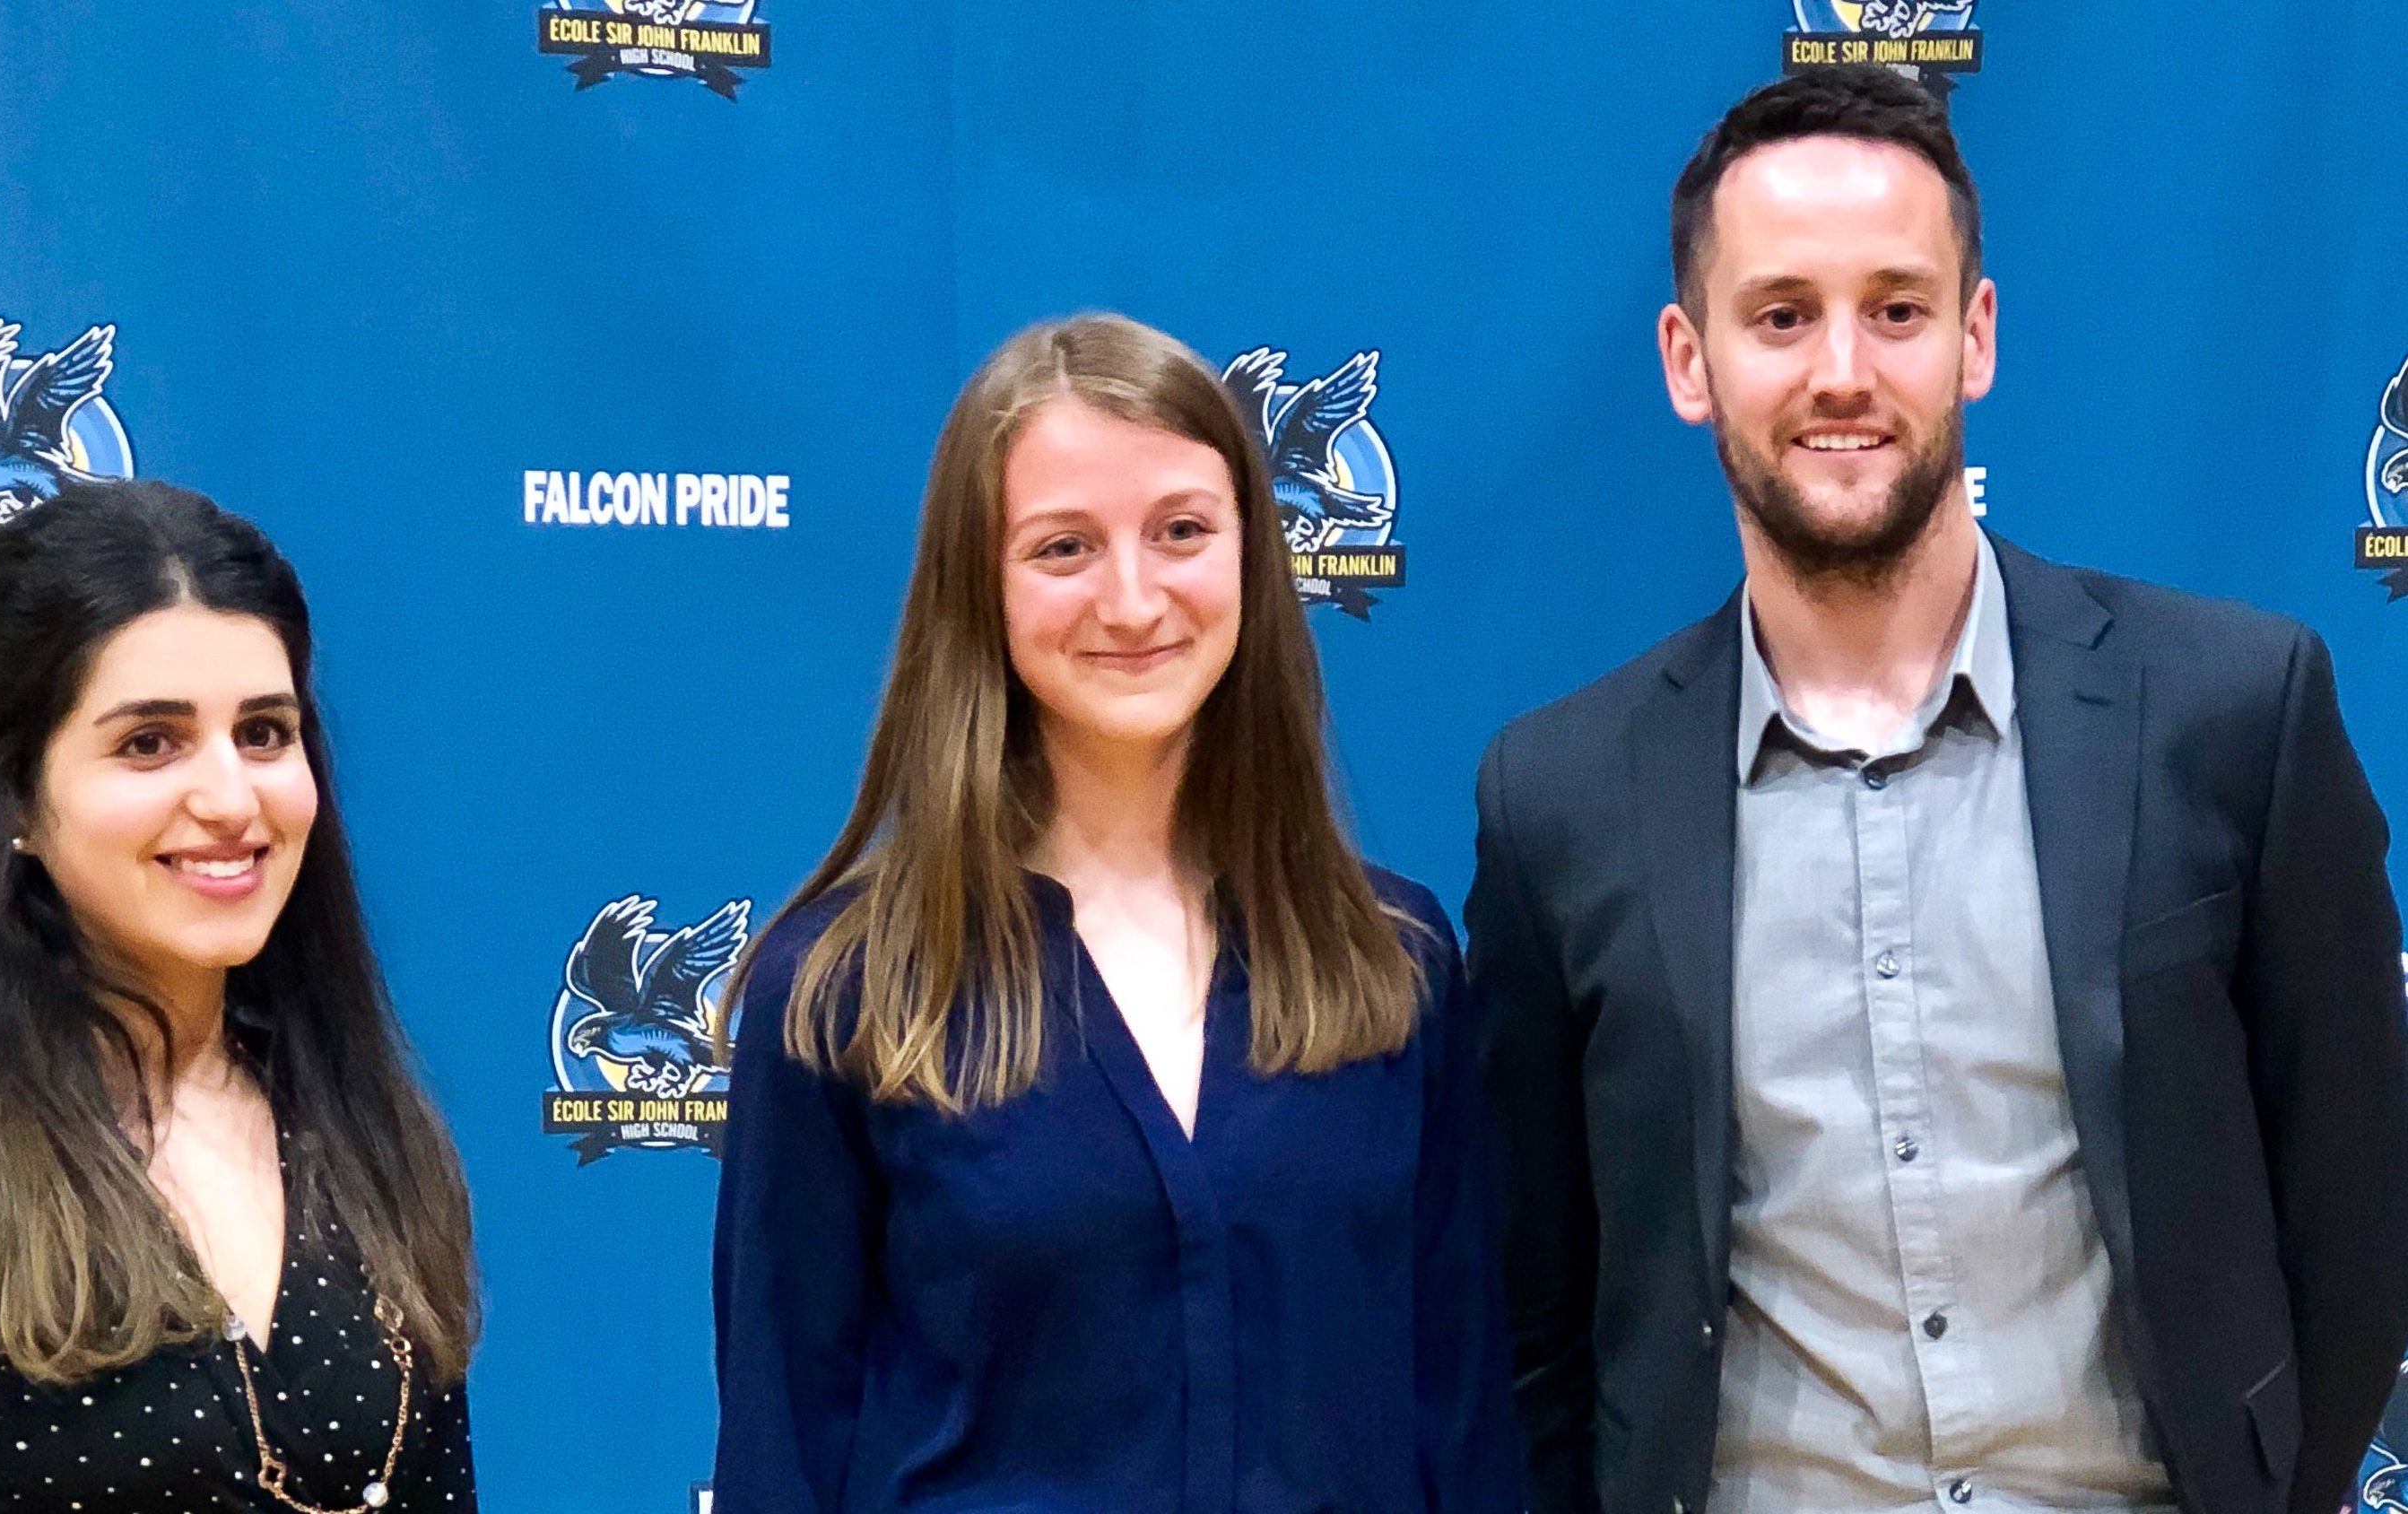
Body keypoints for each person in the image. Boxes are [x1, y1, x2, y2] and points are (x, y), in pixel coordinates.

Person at [1466, 66, 2408, 1514]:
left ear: (1974, 336)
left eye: (1896, 308)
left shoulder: (2233, 709)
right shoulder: (1560, 798)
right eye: (1781, 314)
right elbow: (1537, 1307)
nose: (1842, 367)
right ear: (1688, 357)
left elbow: (2359, 1213)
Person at [710, 312, 1515, 1513]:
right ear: (977, 587)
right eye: (1064, 548)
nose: (1134, 600)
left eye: (1182, 532)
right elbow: (784, 1450)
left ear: (1252, 552)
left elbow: (1463, 1421)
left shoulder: (1391, 964)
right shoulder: (840, 993)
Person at [0, 480, 480, 1513]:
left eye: (264, 732)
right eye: (148, 742)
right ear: (18, 797)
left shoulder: (364, 1126)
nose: (228, 798)